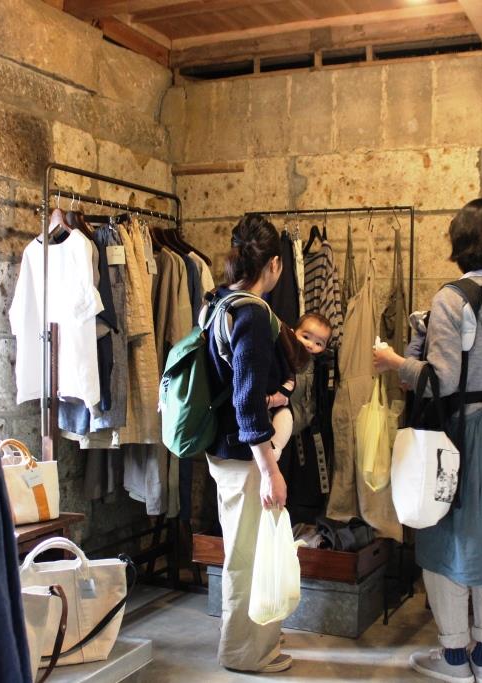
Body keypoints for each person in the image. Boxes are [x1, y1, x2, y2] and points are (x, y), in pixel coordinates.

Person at [373, 199, 482, 683]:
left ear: (463, 242)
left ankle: (452, 658)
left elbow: (442, 381)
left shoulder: (454, 298)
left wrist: (394, 361)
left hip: (461, 438)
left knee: (444, 539)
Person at [204, 214, 293, 674]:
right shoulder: (253, 313)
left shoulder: (218, 301)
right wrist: (270, 469)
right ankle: (244, 652)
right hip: (246, 457)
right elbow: (246, 400)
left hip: (225, 451)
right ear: (274, 264)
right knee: (248, 557)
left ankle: (257, 641)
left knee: (245, 551)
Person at [267, 312, 333, 460]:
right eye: (306, 337)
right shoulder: (286, 354)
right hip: (277, 414)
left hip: (302, 423)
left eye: (319, 344)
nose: (310, 345)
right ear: (293, 332)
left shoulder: (319, 365)